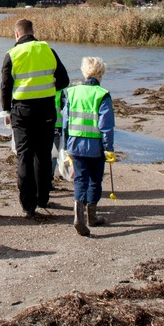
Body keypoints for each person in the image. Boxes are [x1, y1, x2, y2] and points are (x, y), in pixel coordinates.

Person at [0, 18, 70, 217]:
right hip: (47, 108)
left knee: (24, 154)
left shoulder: (12, 54)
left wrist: (6, 112)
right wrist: (48, 89)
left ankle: (28, 204)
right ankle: (42, 198)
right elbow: (64, 80)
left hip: (22, 110)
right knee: (43, 154)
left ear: (16, 34)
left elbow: (5, 86)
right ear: (32, 31)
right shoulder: (48, 50)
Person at [58, 56, 115, 236]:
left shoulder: (71, 92)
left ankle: (78, 215)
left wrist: (66, 143)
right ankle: (91, 215)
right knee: (95, 180)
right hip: (96, 146)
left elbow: (66, 120)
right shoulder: (102, 94)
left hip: (75, 143)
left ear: (84, 71)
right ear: (101, 73)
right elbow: (106, 125)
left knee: (80, 178)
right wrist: (109, 148)